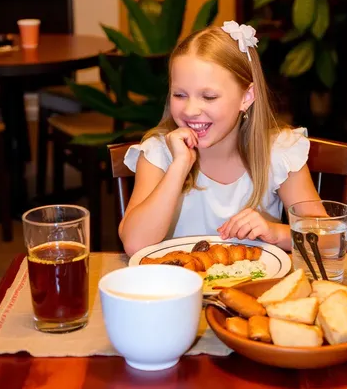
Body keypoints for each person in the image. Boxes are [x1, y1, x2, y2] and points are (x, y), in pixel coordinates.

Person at [119, 21, 321, 256]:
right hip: (178, 288)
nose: (191, 110)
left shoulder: (279, 152)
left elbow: (327, 238)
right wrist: (179, 166)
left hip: (253, 288)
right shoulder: (159, 153)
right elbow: (134, 244)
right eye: (179, 94)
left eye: (209, 96)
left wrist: (276, 233)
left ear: (247, 96)